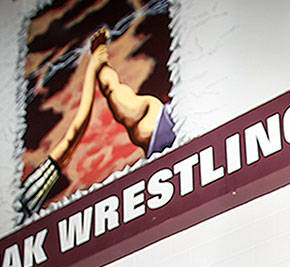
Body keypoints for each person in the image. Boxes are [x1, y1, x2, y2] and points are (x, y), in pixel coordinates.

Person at [20, 28, 176, 216]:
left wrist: (96, 65)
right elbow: (75, 132)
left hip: (166, 132)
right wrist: (94, 66)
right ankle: (101, 66)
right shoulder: (25, 198)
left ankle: (102, 66)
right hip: (164, 128)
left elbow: (75, 133)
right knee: (137, 109)